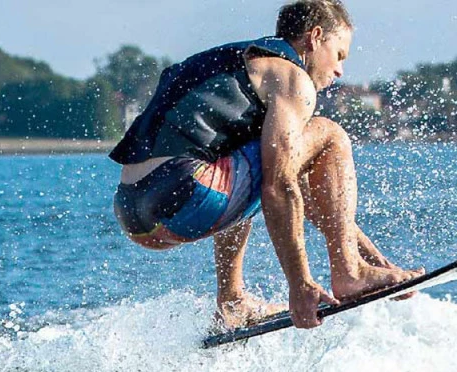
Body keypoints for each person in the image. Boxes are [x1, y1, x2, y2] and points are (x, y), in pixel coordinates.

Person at [110, 0, 421, 330]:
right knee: (329, 135)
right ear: (315, 37)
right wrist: (300, 286)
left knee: (255, 160)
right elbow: (279, 188)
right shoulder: (291, 78)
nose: (340, 70)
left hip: (134, 214)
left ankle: (233, 301)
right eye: (339, 54)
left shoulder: (240, 63)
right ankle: (349, 271)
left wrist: (380, 262)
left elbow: (313, 196)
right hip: (187, 197)